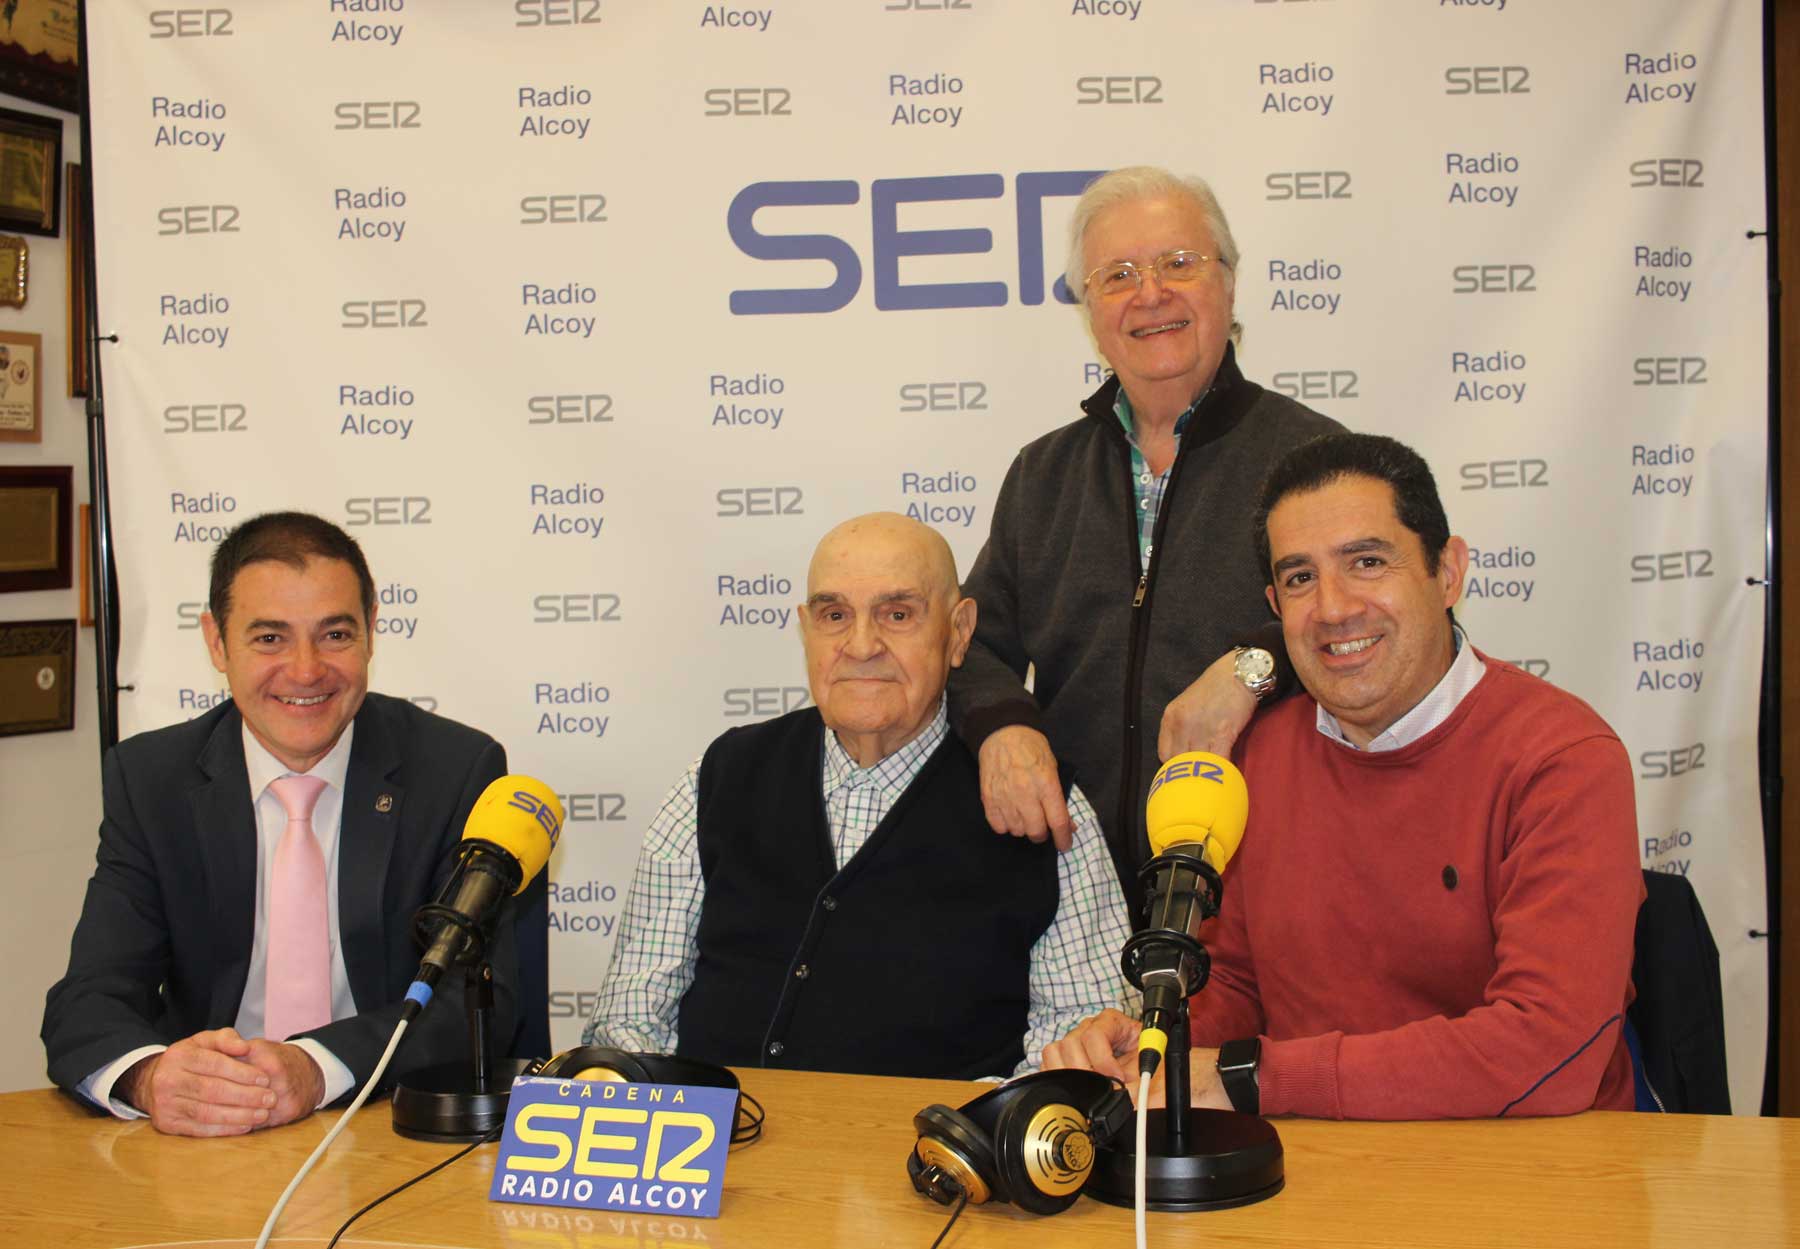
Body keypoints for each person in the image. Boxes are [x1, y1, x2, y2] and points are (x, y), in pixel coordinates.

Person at [1042, 434, 1644, 1118]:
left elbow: (1548, 1049)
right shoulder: (1255, 761)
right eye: (1300, 577)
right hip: (1310, 1167)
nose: (1332, 607)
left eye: (1366, 561)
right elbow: (1233, 985)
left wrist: (1253, 1077)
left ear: (1447, 572)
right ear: (1273, 602)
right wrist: (1155, 1047)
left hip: (1529, 1179)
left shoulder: (1562, 758)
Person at [586, 513, 1132, 1079]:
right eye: (834, 615)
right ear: (806, 629)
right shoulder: (719, 778)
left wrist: (962, 1142)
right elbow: (629, 1023)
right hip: (713, 1152)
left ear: (959, 632)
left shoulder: (1040, 804)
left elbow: (1078, 1053)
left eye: (897, 615)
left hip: (933, 1157)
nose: (862, 645)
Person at [42, 512, 531, 1136]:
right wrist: (153, 1077)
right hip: (207, 1143)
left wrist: (313, 1067)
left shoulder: (456, 771)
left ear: (372, 632)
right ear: (216, 643)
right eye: (269, 638)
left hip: (382, 1127)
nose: (305, 671)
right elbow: (89, 998)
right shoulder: (151, 779)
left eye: (334, 635)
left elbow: (478, 1004)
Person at [950, 165, 1341, 900]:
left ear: (1228, 282)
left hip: (1265, 889)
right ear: (1090, 309)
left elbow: (1387, 623)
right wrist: (1003, 725)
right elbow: (968, 647)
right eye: (1118, 274)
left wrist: (1254, 665)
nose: (1150, 293)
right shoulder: (1043, 474)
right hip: (1080, 902)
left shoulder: (1318, 461)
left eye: (1178, 264)